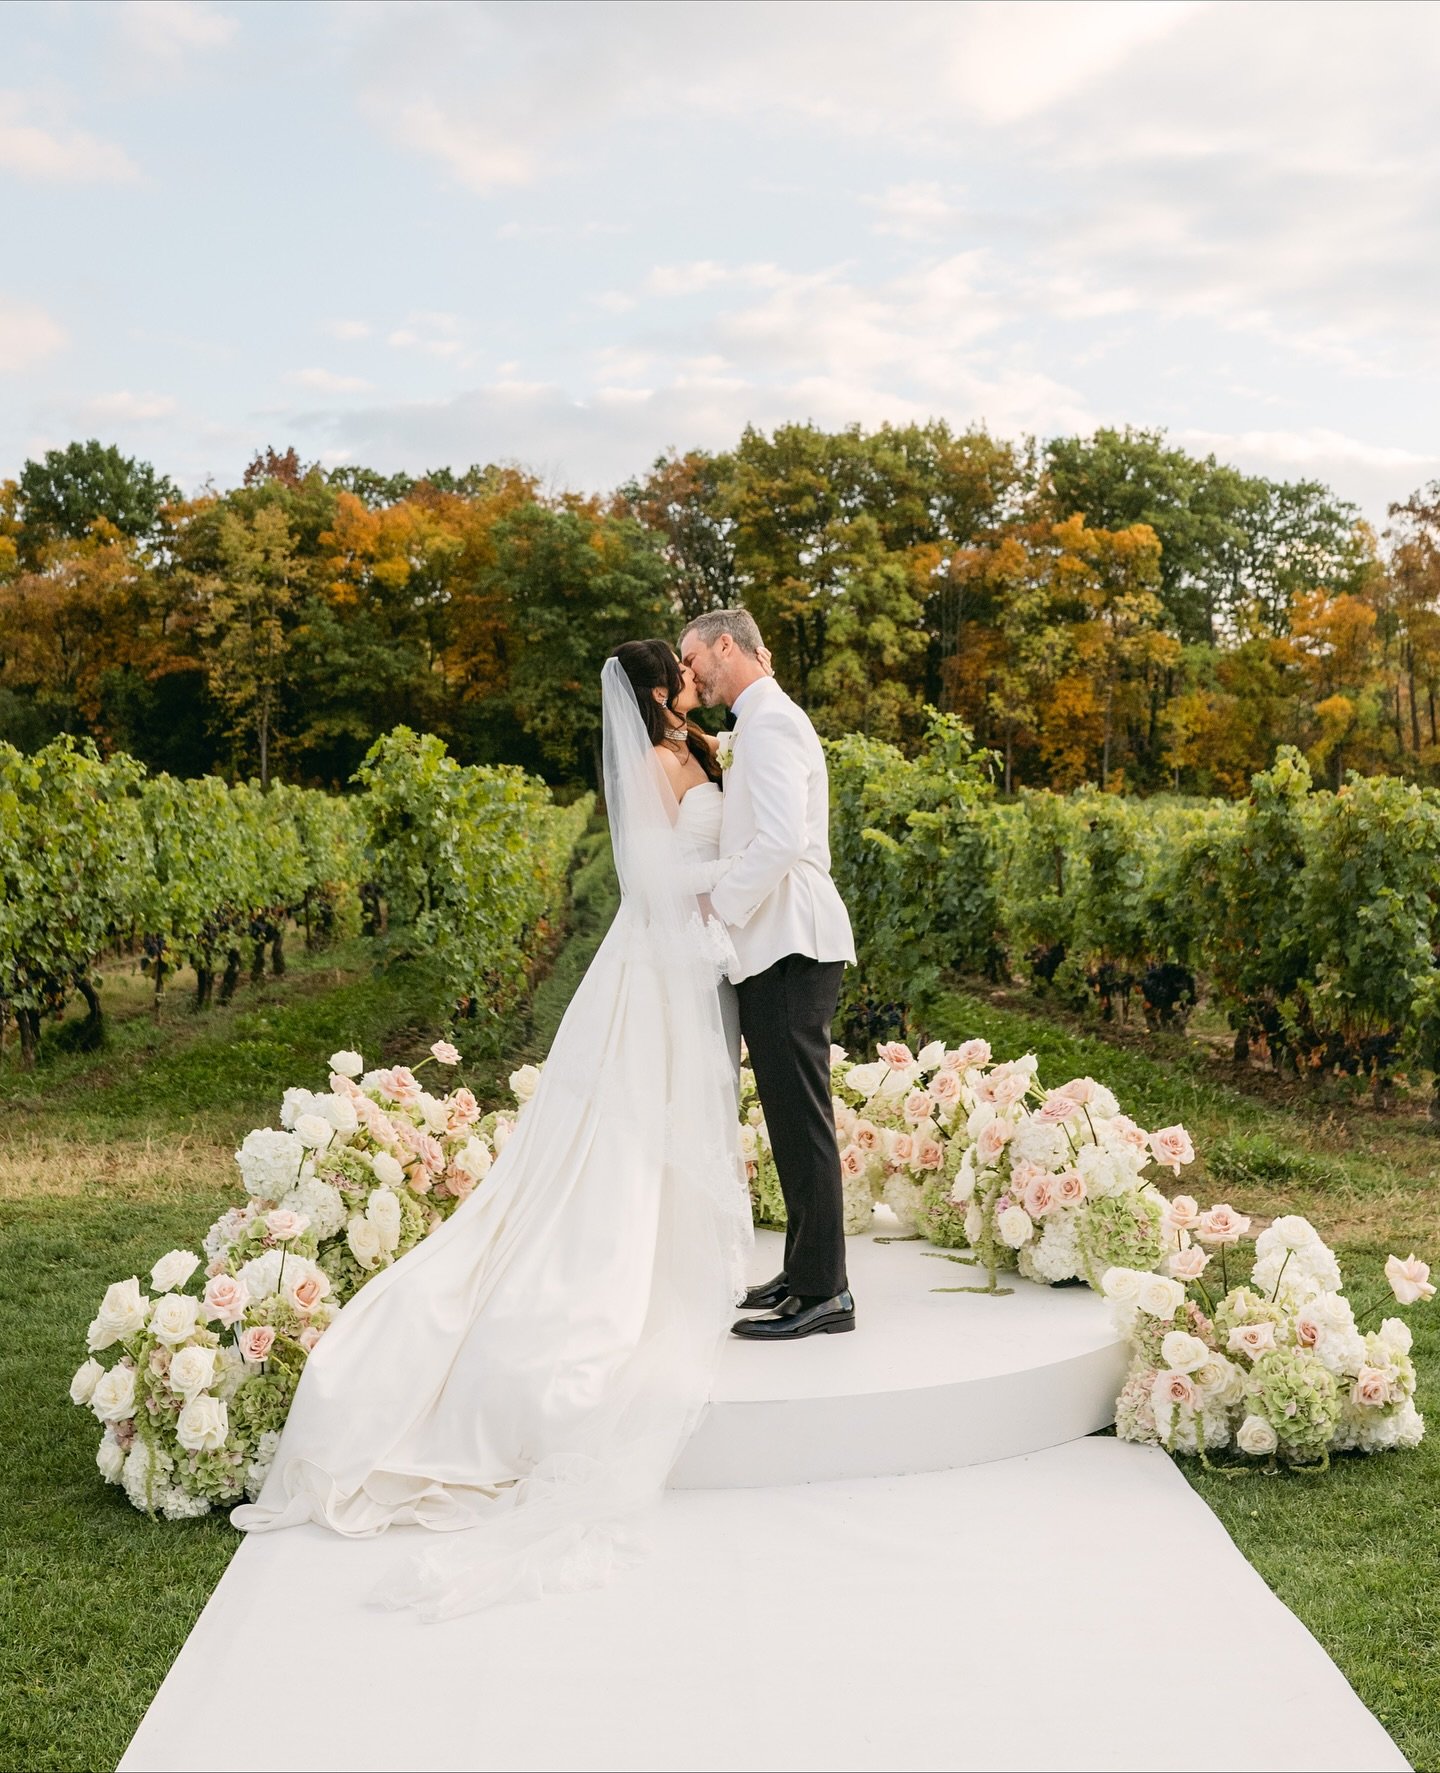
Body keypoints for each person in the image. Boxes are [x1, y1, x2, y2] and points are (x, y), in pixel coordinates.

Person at [232, 643, 752, 1620]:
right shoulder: (652, 762)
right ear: (658, 690)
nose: (694, 674)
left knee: (672, 1111)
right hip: (660, 956)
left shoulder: (697, 748)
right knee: (630, 1126)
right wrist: (725, 892)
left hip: (693, 956)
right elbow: (656, 876)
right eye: (681, 671)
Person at [679, 608, 858, 1340]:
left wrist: (717, 906)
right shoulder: (755, 721)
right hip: (776, 942)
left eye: (693, 658)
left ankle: (825, 1293)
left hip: (791, 940)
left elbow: (782, 840)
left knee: (801, 1118)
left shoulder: (773, 721)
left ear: (727, 644)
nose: (690, 674)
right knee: (786, 1117)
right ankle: (803, 1271)